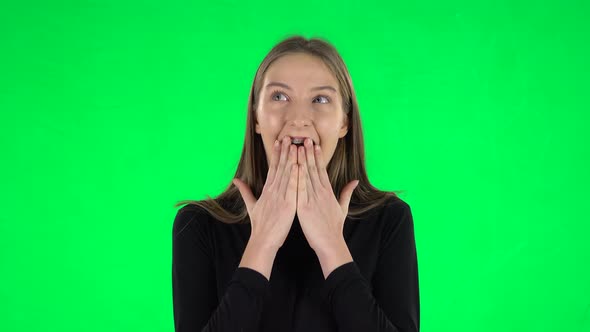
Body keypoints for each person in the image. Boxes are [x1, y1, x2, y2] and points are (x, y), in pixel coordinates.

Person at [172, 35, 420, 332]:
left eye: (320, 99)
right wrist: (262, 243)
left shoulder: (389, 220)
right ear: (256, 117)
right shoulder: (199, 225)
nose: (299, 118)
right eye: (279, 97)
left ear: (344, 122)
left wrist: (332, 246)